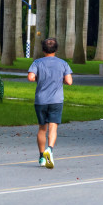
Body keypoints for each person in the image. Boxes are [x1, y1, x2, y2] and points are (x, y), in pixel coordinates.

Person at [28, 38, 73, 169]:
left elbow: (30, 77)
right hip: (56, 100)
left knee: (42, 128)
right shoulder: (63, 63)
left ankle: (42, 157)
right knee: (53, 127)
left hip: (41, 100)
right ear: (56, 50)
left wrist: (39, 78)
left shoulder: (37, 62)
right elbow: (69, 81)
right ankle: (50, 150)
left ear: (43, 50)